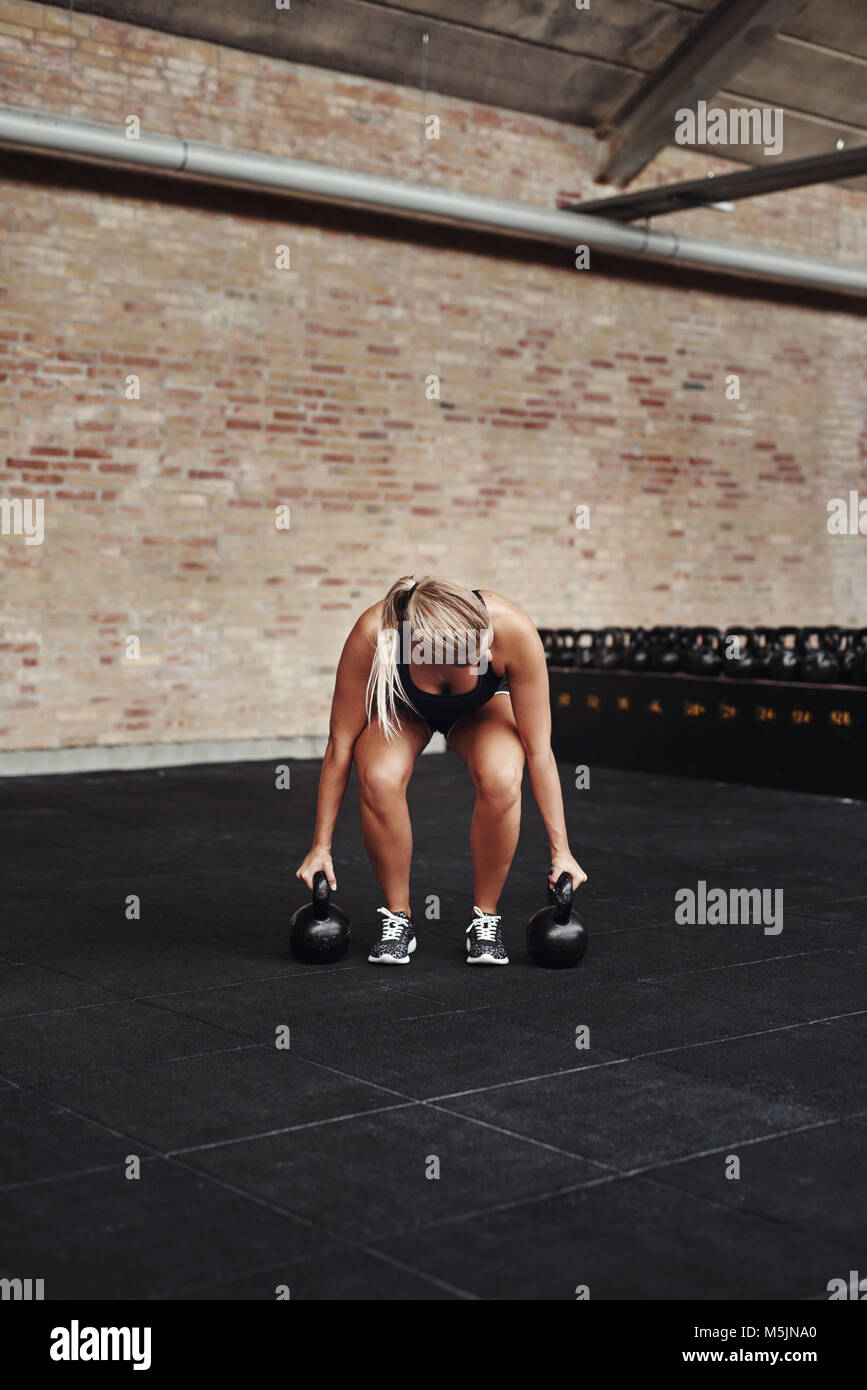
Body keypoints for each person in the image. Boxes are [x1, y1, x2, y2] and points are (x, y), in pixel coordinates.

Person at [296, 575, 587, 965]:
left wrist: (561, 851)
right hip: (407, 709)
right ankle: (398, 918)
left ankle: (486, 917)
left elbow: (539, 751)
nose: (487, 654)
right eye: (473, 652)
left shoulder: (512, 629)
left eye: (486, 640)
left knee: (502, 777)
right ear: (423, 650)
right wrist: (321, 847)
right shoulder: (375, 635)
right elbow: (340, 744)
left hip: (480, 713)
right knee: (380, 777)